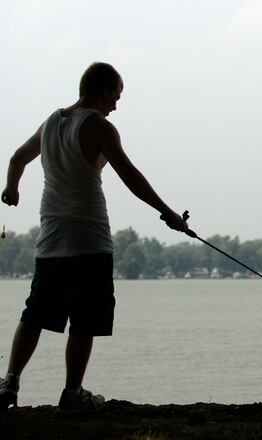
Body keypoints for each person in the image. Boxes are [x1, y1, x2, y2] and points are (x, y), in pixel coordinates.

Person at [0, 62, 188, 412]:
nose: (117, 104)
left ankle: (9, 382)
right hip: (90, 240)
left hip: (51, 242)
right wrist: (168, 214)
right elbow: (130, 175)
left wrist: (12, 188)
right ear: (103, 91)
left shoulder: (51, 122)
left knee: (35, 314)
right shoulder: (100, 126)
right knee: (85, 318)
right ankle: (72, 394)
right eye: (116, 96)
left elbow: (16, 159)